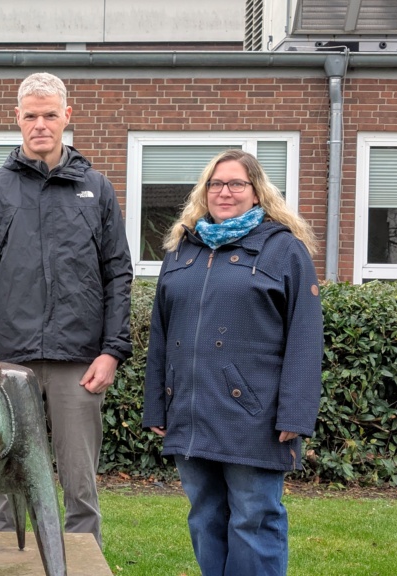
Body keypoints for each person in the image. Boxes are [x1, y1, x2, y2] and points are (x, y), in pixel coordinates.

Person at [0, 72, 133, 548]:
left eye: (49, 114)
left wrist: (112, 351)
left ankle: (80, 557)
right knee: (2, 475)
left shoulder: (96, 189)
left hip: (79, 360)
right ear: (17, 118)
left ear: (66, 117)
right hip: (6, 363)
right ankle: (0, 557)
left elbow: (118, 274)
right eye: (30, 115)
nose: (40, 124)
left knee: (80, 482)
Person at [142, 149, 323, 576]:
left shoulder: (284, 250)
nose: (225, 192)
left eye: (237, 184)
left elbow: (305, 336)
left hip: (253, 415)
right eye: (216, 184)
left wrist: (296, 413)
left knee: (253, 518)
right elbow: (161, 334)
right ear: (204, 192)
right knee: (205, 517)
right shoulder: (181, 250)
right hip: (189, 410)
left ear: (257, 193)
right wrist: (157, 404)